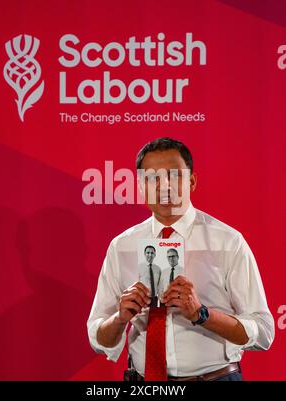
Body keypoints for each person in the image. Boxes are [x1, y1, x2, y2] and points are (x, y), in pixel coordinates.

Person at [87, 137, 274, 381]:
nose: (164, 187)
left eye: (174, 175)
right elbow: (98, 339)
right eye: (152, 178)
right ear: (140, 186)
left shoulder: (228, 242)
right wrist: (120, 318)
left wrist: (202, 314)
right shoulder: (121, 246)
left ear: (192, 181)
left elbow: (263, 332)